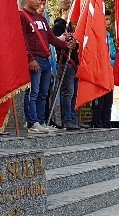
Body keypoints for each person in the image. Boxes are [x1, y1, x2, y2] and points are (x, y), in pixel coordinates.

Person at [20, 0, 76, 134]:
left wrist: (66, 45)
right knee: (32, 93)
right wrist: (30, 59)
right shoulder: (21, 15)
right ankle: (32, 123)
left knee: (43, 94)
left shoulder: (42, 19)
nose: (39, 2)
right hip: (34, 60)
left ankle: (41, 122)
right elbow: (22, 39)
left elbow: (51, 38)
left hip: (45, 60)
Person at [91, 9, 117, 128]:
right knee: (99, 100)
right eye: (106, 19)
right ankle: (97, 124)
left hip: (109, 73)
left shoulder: (109, 37)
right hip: (99, 73)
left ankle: (106, 123)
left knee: (108, 100)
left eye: (109, 19)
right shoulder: (95, 35)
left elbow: (113, 55)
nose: (108, 22)